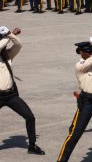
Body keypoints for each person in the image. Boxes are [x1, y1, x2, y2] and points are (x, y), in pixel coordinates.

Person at [0, 26, 45, 155]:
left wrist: (10, 35)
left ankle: (32, 145)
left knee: (30, 117)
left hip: (11, 95)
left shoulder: (7, 56)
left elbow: (19, 44)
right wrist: (7, 36)